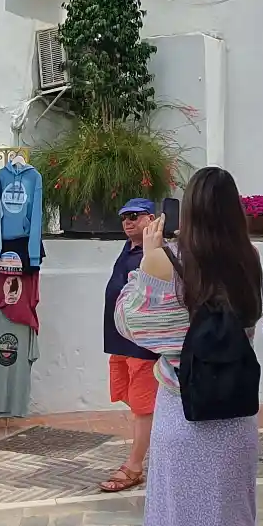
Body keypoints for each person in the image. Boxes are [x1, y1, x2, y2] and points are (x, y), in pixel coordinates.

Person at [121, 167, 263, 526]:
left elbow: (133, 326)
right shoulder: (249, 263)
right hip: (234, 422)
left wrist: (149, 257)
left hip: (181, 420)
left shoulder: (168, 262)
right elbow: (250, 328)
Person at [97, 197, 160, 494]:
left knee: (143, 405)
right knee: (127, 394)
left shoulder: (155, 252)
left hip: (141, 344)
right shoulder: (129, 247)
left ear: (151, 219)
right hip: (120, 340)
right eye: (124, 217)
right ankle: (157, 441)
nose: (127, 222)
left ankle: (135, 466)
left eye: (134, 216)